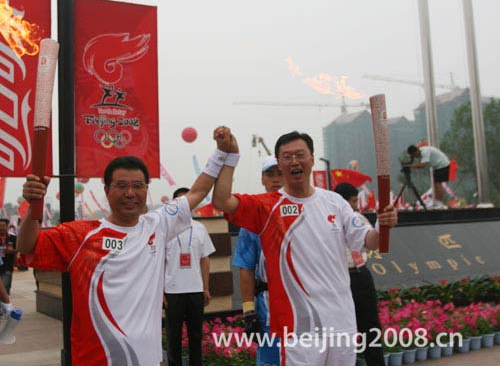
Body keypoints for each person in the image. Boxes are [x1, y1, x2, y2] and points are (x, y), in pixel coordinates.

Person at [17, 127, 239, 366]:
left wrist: (224, 154)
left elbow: (198, 191)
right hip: (97, 359)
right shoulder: (80, 235)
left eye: (138, 186)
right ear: (107, 190)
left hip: (147, 360)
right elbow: (27, 246)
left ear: (146, 189)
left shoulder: (158, 224)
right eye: (121, 186)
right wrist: (33, 207)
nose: (130, 193)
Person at [213, 131, 398, 366]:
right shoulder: (267, 207)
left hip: (341, 322)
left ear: (312, 158)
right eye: (287, 157)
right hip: (298, 327)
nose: (294, 161)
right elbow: (221, 201)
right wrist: (229, 157)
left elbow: (370, 241)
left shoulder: (335, 203)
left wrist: (383, 225)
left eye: (300, 155)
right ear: (279, 164)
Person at [232, 155, 284, 366]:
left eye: (280, 173)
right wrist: (248, 311)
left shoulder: (304, 211)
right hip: (268, 305)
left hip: (301, 300)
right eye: (270, 174)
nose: (276, 179)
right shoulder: (254, 217)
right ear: (262, 179)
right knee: (270, 359)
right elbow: (246, 268)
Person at [333, 183, 384, 366]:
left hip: (361, 274)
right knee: (344, 330)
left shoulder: (359, 218)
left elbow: (372, 241)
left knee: (371, 326)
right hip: (340, 278)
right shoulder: (329, 220)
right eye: (353, 202)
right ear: (342, 201)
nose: (356, 206)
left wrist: (383, 225)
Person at [164, 187, 215, 366]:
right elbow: (159, 264)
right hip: (172, 290)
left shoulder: (200, 228)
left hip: (195, 290)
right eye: (179, 202)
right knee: (173, 335)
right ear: (173, 205)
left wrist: (206, 288)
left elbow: (205, 260)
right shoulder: (165, 230)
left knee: (195, 334)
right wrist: (161, 292)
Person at [407, 145, 450, 209]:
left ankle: (440, 203)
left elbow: (422, 165)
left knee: (438, 184)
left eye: (414, 155)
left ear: (416, 151)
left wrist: (409, 166)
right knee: (435, 184)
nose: (415, 157)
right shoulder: (420, 151)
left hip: (443, 165)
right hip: (438, 166)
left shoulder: (425, 152)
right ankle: (437, 202)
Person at [0, 218, 17, 295]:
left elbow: (19, 249)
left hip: (8, 266)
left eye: (3, 225)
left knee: (6, 287)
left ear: (7, 226)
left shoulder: (13, 238)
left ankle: (4, 304)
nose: (1, 227)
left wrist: (11, 251)